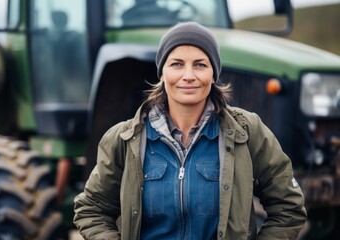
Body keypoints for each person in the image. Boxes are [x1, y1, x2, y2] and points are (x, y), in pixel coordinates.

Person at [73, 22, 307, 240]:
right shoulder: (124, 139)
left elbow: (288, 207)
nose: (188, 76)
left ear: (213, 74)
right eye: (176, 64)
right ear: (162, 73)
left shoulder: (247, 132)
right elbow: (91, 210)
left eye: (200, 65)